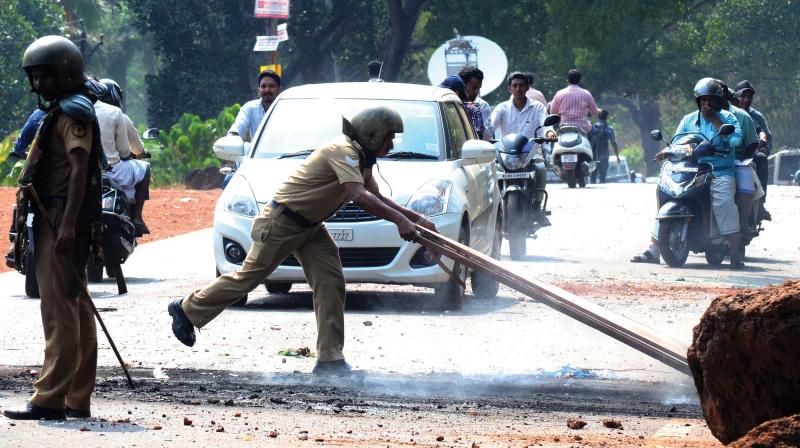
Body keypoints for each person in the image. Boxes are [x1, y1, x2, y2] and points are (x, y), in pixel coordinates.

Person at [167, 106, 438, 376]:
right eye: (389, 137)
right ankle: (186, 308)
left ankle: (330, 360)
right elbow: (359, 195)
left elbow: (377, 198)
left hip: (310, 227)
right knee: (248, 279)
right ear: (372, 134)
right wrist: (401, 222)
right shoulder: (342, 151)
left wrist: (416, 219)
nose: (391, 144)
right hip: (282, 221)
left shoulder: (361, 160)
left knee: (331, 282)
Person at [3, 35, 105, 420]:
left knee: (58, 312)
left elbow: (80, 171)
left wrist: (66, 227)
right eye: (35, 77)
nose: (38, 85)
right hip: (55, 217)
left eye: (45, 77)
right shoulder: (60, 112)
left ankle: (49, 399)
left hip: (60, 219)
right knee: (76, 305)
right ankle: (77, 397)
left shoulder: (74, 116)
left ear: (65, 73)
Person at [631, 78, 744, 269]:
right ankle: (654, 249)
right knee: (665, 194)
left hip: (719, 170)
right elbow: (678, 142)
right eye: (703, 100)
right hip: (689, 168)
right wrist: (667, 151)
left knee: (724, 203)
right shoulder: (688, 120)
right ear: (697, 100)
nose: (706, 104)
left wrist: (714, 121)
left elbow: (735, 141)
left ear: (718, 101)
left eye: (711, 100)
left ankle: (735, 253)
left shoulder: (728, 118)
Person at [95, 78, 152, 236]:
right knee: (145, 168)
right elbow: (128, 152)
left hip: (87, 172)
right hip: (113, 171)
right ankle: (137, 218)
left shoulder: (82, 111)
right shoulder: (117, 114)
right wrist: (140, 154)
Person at [488, 72, 549, 209]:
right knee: (491, 172)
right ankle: (495, 209)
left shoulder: (538, 107)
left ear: (527, 87)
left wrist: (550, 133)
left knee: (541, 169)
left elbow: (546, 124)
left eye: (521, 85)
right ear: (509, 88)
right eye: (514, 86)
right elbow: (490, 126)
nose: (518, 89)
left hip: (532, 151)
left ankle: (537, 204)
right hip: (506, 154)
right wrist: (481, 136)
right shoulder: (501, 108)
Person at [732, 80, 772, 221]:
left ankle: (760, 204)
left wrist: (764, 146)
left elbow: (764, 135)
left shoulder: (754, 117)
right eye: (743, 96)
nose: (746, 100)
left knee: (761, 159)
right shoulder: (724, 112)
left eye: (749, 97)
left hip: (749, 154)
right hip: (726, 155)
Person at [228, 70, 281, 141]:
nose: (267, 90)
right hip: (258, 152)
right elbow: (238, 127)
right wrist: (231, 138)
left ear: (279, 90)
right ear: (258, 90)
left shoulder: (287, 109)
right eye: (263, 86)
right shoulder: (250, 108)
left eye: (271, 86)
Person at [550, 69, 599, 134]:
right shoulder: (586, 94)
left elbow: (553, 113)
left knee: (552, 141)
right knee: (595, 132)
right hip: (583, 128)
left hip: (564, 128)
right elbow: (595, 112)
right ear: (579, 80)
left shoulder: (559, 94)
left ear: (567, 80)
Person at [588, 109, 620, 184]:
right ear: (607, 117)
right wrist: (617, 156)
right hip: (604, 155)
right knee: (603, 175)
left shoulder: (593, 127)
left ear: (598, 117)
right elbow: (613, 143)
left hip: (594, 155)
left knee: (593, 174)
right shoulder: (609, 128)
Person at [458, 66, 491, 132]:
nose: (477, 92)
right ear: (462, 85)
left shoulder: (483, 106)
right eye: (473, 88)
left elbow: (487, 134)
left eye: (479, 88)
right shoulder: (450, 104)